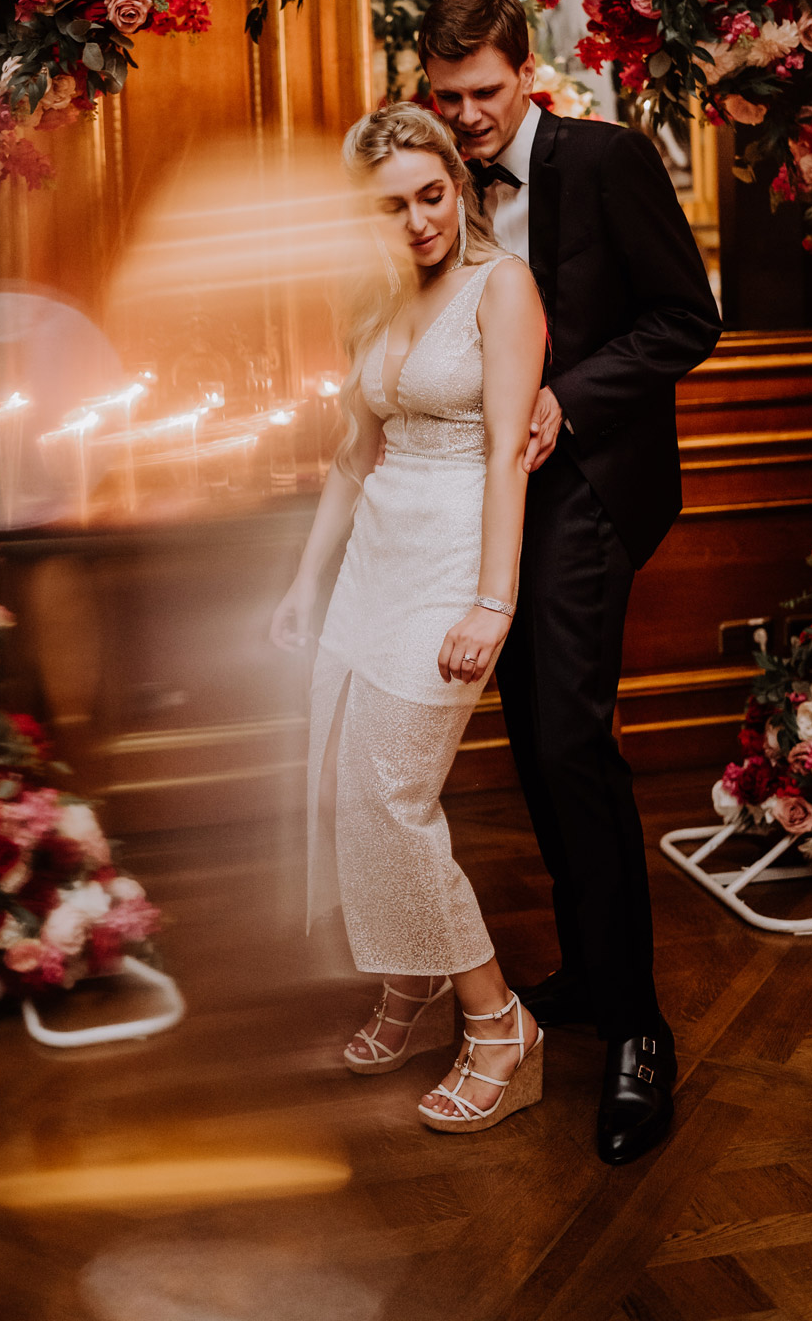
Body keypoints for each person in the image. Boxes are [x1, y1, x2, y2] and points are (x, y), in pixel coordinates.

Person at [417, 0, 723, 1166]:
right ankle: (591, 975)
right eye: (446, 99)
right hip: (480, 501)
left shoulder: (605, 160)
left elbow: (686, 321)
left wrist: (565, 400)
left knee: (569, 744)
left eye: (484, 94)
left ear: (525, 71)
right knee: (531, 735)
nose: (467, 117)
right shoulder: (434, 176)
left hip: (587, 489)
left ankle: (640, 1028)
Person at [271, 102, 548, 1133]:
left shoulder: (501, 288)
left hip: (453, 564)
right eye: (391, 206)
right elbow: (353, 456)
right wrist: (306, 581)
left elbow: (512, 461)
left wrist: (494, 599)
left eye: (432, 195)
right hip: (374, 566)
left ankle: (497, 1018)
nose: (420, 220)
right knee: (355, 784)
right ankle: (409, 974)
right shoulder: (373, 299)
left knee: (393, 794)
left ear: (457, 188)